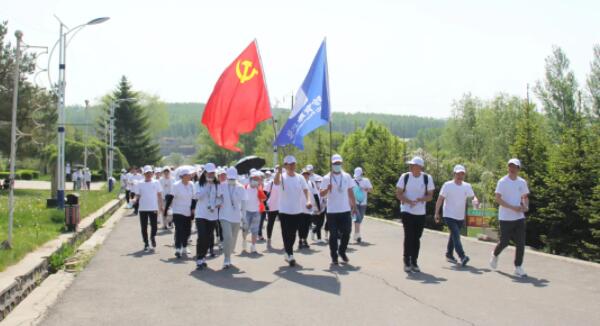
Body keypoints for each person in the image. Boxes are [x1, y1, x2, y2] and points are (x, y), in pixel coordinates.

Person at [490, 158, 530, 277]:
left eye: (514, 167)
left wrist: (526, 206)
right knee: (504, 242)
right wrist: (512, 207)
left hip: (519, 217)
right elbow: (498, 198)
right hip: (506, 217)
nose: (512, 169)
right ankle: (495, 254)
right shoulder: (502, 182)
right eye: (510, 166)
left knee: (520, 243)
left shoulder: (522, 182)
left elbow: (525, 196)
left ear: (518, 169)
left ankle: (518, 267)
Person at [396, 156, 435, 273]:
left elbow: (430, 196)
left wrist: (421, 199)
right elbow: (398, 193)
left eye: (414, 165)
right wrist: (408, 201)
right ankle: (406, 260)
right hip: (406, 210)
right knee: (409, 235)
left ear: (420, 167)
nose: (411, 167)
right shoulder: (405, 177)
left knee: (417, 237)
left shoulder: (427, 178)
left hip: (420, 212)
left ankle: (414, 261)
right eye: (411, 165)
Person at [434, 164, 478, 267]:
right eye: (458, 174)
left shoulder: (467, 186)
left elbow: (473, 196)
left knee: (453, 235)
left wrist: (475, 200)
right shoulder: (447, 185)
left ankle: (449, 254)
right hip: (449, 214)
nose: (460, 176)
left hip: (459, 216)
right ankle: (462, 256)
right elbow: (440, 199)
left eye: (462, 174)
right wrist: (436, 213)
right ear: (454, 174)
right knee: (456, 235)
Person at [274, 155, 312, 267]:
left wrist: (308, 201)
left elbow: (306, 190)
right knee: (286, 233)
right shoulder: (282, 177)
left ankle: (287, 252)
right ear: (285, 166)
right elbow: (276, 183)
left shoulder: (300, 177)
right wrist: (278, 172)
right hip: (284, 211)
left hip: (297, 210)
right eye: (289, 164)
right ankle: (290, 254)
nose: (292, 166)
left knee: (293, 234)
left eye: (293, 164)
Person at [320, 154, 357, 265]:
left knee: (347, 232)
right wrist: (327, 189)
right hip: (332, 211)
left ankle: (342, 251)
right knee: (334, 235)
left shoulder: (347, 176)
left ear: (341, 163)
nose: (337, 165)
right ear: (331, 164)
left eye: (339, 163)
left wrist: (354, 205)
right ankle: (334, 256)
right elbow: (321, 194)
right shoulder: (327, 178)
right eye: (335, 163)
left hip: (345, 210)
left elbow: (350, 191)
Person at [218, 167, 247, 269]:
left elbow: (243, 203)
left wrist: (244, 218)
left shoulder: (241, 187)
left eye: (233, 179)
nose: (231, 181)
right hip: (224, 215)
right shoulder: (221, 186)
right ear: (227, 177)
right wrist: (218, 201)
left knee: (233, 240)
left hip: (236, 217)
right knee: (228, 236)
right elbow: (218, 197)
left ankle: (229, 254)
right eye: (229, 178)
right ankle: (226, 258)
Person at [194, 163, 221, 269]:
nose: (211, 175)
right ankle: (199, 258)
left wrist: (217, 203)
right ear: (205, 173)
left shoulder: (217, 184)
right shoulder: (198, 184)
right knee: (202, 236)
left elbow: (219, 197)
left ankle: (203, 256)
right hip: (201, 214)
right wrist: (205, 188)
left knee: (209, 238)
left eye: (213, 173)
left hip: (212, 214)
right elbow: (196, 196)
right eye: (209, 173)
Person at [134, 165, 164, 251]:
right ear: (144, 174)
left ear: (152, 173)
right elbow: (138, 195)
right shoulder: (140, 183)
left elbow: (159, 195)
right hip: (143, 208)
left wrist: (161, 206)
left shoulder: (156, 182)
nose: (149, 174)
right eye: (147, 173)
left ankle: (152, 237)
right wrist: (134, 199)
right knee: (144, 227)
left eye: (150, 173)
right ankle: (146, 242)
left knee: (154, 226)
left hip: (153, 208)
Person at [171, 167, 195, 258]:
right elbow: (171, 197)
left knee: (187, 231)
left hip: (188, 211)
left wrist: (193, 210)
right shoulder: (176, 185)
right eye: (188, 175)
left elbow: (193, 198)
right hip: (177, 211)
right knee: (179, 229)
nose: (190, 176)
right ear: (183, 176)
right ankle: (178, 248)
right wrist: (166, 209)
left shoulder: (191, 184)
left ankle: (184, 246)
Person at [242, 171, 266, 253]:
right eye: (254, 179)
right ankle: (244, 242)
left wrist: (259, 191)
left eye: (257, 179)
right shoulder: (245, 187)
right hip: (246, 212)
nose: (256, 181)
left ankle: (253, 246)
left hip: (256, 212)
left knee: (255, 230)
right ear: (250, 179)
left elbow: (263, 199)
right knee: (245, 229)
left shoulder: (259, 189)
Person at [352, 167, 373, 243]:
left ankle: (355, 234)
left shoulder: (366, 180)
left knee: (360, 219)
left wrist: (364, 189)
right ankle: (358, 236)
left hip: (363, 203)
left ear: (361, 174)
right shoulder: (352, 181)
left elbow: (371, 189)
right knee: (357, 218)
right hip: (355, 203)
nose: (358, 177)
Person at [299, 168, 318, 249]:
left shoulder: (311, 183)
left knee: (307, 226)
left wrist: (317, 206)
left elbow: (315, 194)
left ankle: (305, 239)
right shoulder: (298, 183)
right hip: (300, 209)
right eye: (304, 174)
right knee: (300, 225)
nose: (306, 175)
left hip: (309, 208)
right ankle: (300, 240)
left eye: (307, 174)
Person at [264, 170, 280, 248]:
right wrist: (264, 204)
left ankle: (286, 240)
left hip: (282, 207)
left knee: (285, 224)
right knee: (270, 224)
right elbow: (264, 194)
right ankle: (269, 238)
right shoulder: (271, 183)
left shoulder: (283, 184)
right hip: (272, 207)